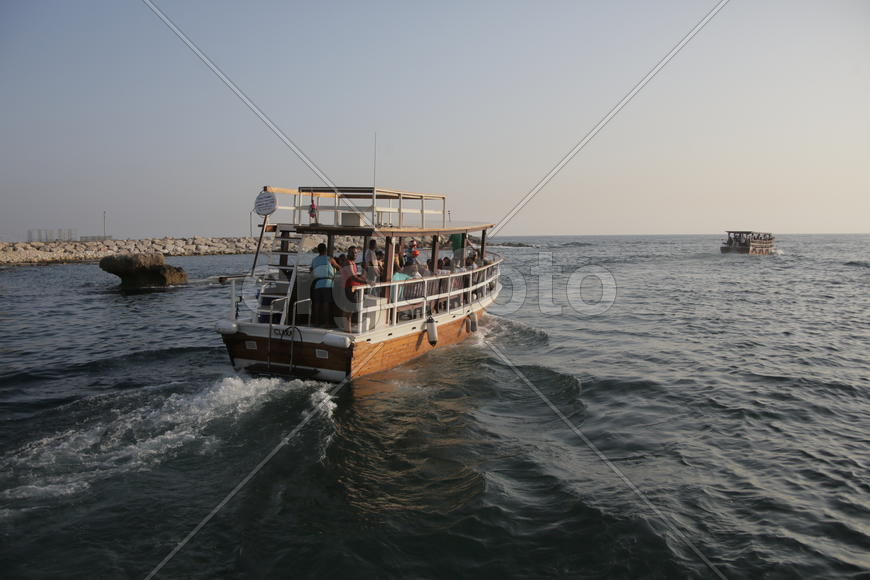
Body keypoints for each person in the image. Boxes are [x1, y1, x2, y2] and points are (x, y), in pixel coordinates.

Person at [338, 246, 368, 332]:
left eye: (356, 253)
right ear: (349, 253)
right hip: (348, 288)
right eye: (353, 252)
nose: (355, 254)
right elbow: (353, 277)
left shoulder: (352, 263)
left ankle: (347, 328)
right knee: (348, 310)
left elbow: (356, 276)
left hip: (353, 288)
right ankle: (347, 329)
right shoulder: (348, 263)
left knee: (350, 309)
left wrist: (364, 271)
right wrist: (366, 282)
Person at [310, 243, 339, 327]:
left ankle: (316, 322)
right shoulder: (329, 259)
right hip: (327, 283)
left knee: (317, 303)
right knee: (326, 303)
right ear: (325, 250)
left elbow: (311, 270)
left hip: (317, 283)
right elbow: (339, 268)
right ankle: (326, 323)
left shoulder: (314, 260)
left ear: (318, 250)